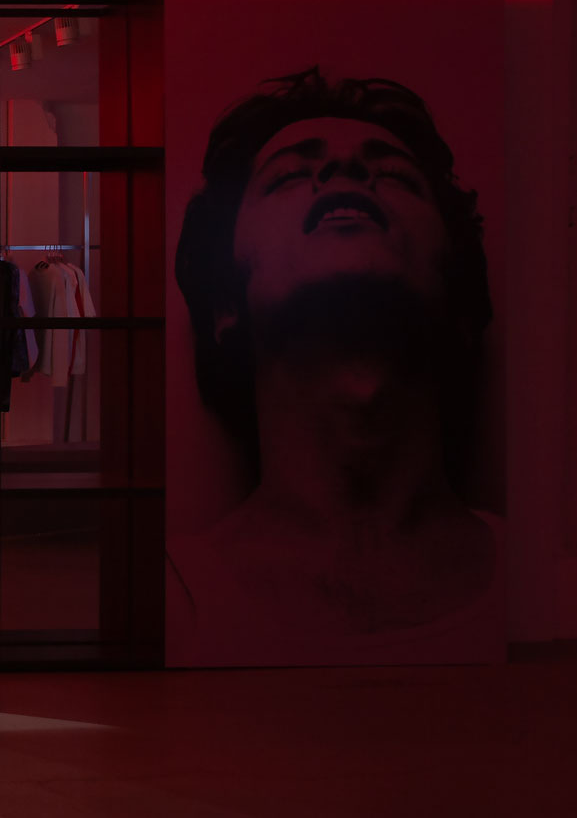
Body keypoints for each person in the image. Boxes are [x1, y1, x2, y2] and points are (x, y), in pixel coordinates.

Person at [170, 68, 500, 664]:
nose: (344, 171)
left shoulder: (531, 578)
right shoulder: (170, 598)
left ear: (456, 290)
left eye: (395, 175)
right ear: (225, 304)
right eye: (289, 176)